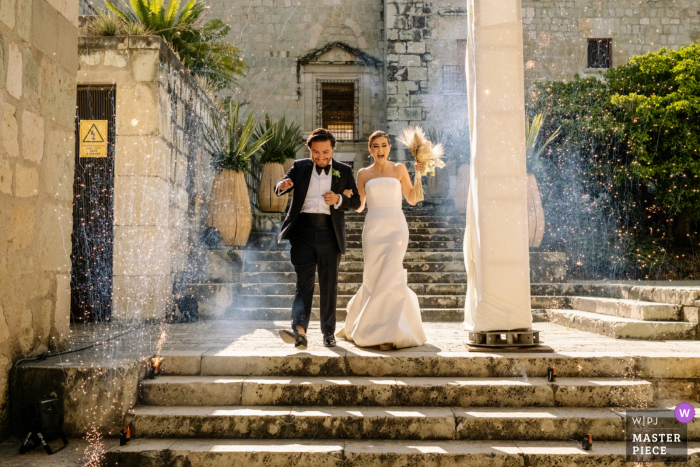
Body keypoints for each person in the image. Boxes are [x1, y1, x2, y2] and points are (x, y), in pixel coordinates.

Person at [336, 131, 427, 350]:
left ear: (389, 148)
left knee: (391, 273)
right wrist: (345, 195)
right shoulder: (363, 174)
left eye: (384, 145)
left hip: (396, 227)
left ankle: (389, 332)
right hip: (373, 229)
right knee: (375, 276)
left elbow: (413, 199)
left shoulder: (400, 169)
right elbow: (359, 206)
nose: (380, 150)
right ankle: (373, 325)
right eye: (375, 146)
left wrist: (418, 175)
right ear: (370, 149)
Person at [275, 128, 361, 349]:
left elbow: (357, 201)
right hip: (302, 232)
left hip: (330, 234)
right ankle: (300, 332)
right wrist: (281, 186)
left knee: (328, 285)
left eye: (325, 152)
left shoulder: (344, 170)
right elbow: (281, 185)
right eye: (315, 152)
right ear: (309, 150)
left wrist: (340, 198)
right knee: (303, 285)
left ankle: (328, 333)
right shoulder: (300, 166)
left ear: (333, 149)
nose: (320, 157)